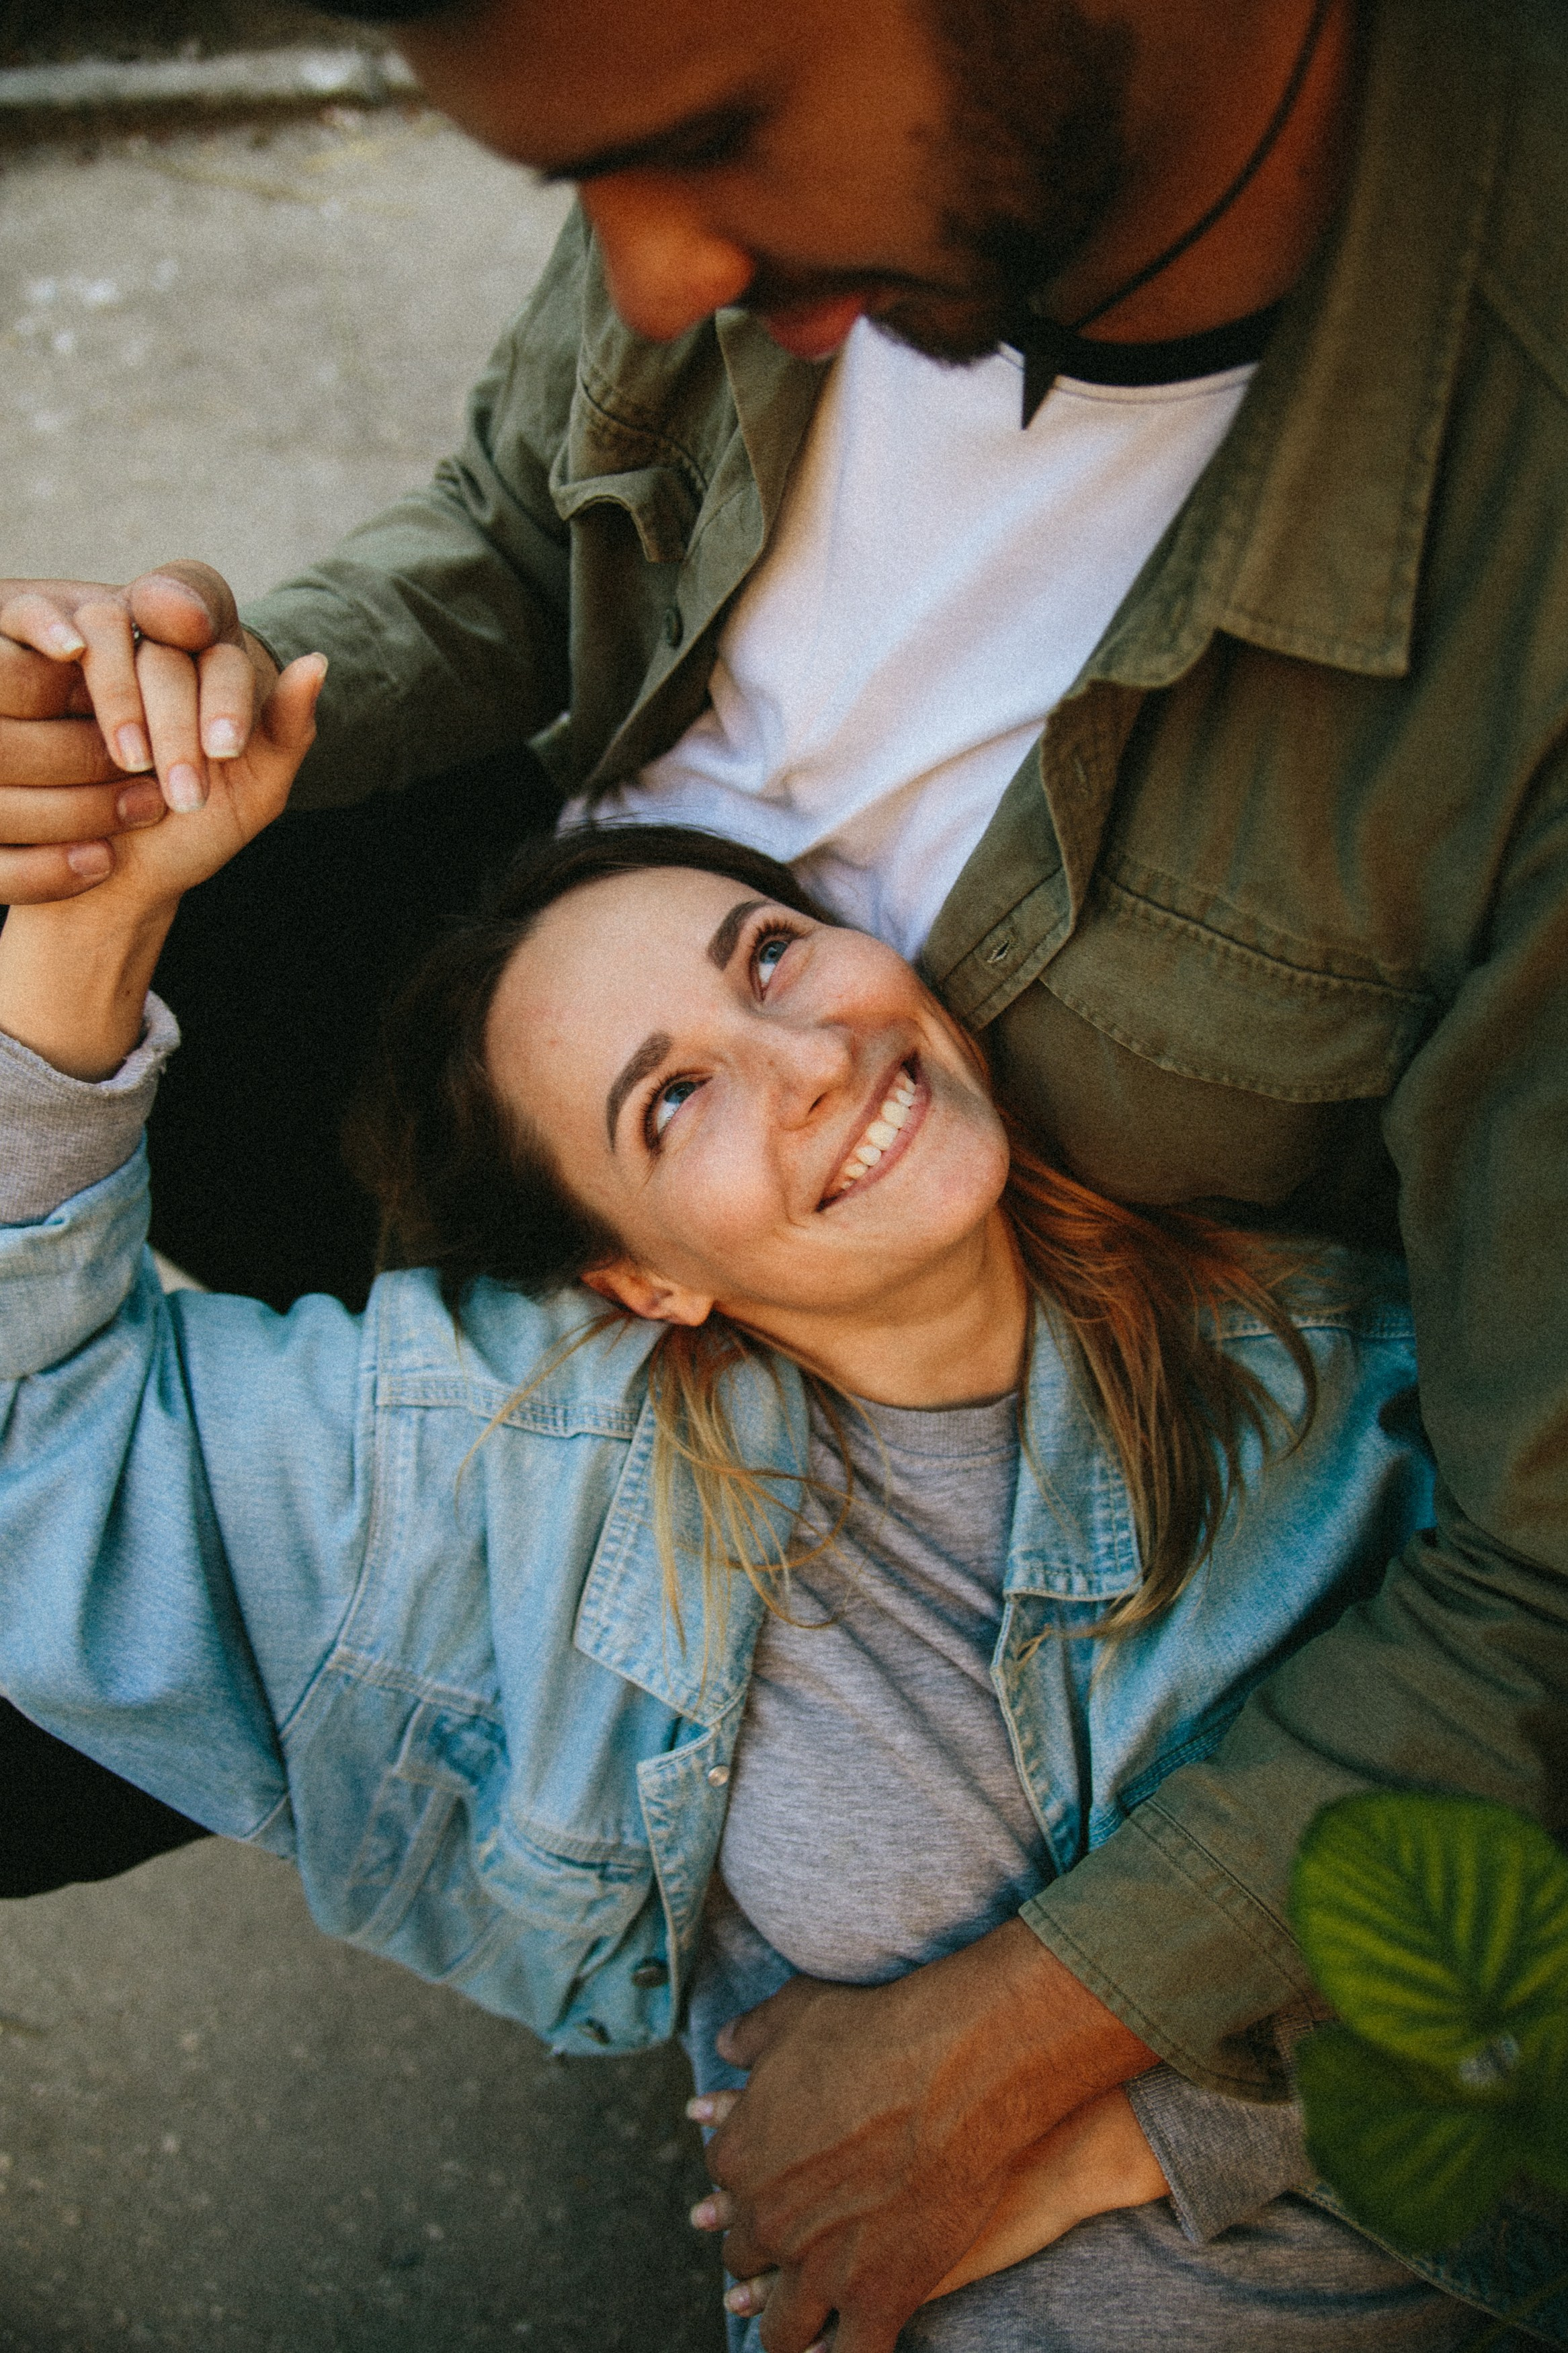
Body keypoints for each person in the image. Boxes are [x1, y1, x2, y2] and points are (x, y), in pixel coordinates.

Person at [1, 0, 1566, 2343]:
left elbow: (1530, 1588)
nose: (644, 276)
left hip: (979, 1338)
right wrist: (173, 752)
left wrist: (1036, 2034)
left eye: (705, 144)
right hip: (540, 1039)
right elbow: (524, 532)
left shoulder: (1514, 577)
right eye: (576, 182)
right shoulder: (761, 176)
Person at [0, 723, 1491, 2345]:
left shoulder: (1357, 1398)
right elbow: (52, 1450)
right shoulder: (547, 1482)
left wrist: (1122, 2138)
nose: (809, 1060)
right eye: (675, 1098)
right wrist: (100, 909)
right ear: (644, 1283)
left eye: (771, 955)